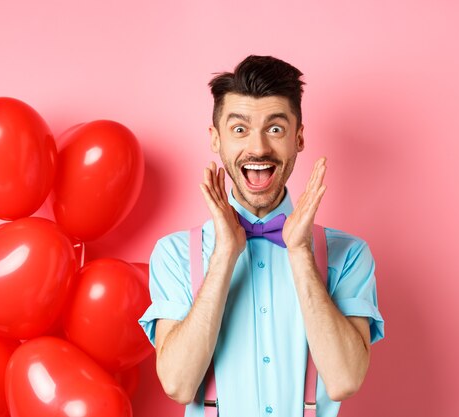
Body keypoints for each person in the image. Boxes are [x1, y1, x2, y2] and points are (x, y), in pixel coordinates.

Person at [138, 55, 384, 417]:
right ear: (216, 139)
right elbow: (178, 384)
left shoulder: (349, 254)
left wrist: (300, 252)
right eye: (239, 129)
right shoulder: (174, 254)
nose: (258, 148)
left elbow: (345, 379)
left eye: (275, 129)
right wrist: (223, 255)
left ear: (298, 138)